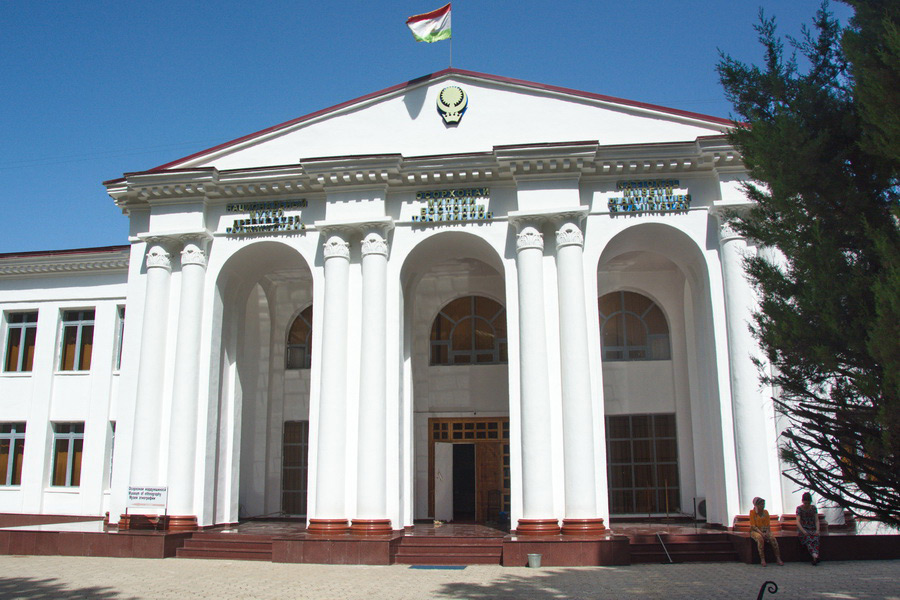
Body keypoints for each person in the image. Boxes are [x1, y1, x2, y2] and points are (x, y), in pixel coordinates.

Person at [749, 497, 783, 566]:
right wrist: (761, 533)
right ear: (756, 505)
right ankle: (762, 559)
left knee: (773, 539)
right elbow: (753, 525)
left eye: (763, 504)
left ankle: (778, 558)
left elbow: (768, 524)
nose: (763, 506)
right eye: (761, 504)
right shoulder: (752, 513)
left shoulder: (766, 512)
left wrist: (767, 532)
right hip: (756, 531)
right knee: (760, 538)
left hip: (765, 530)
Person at [796, 492, 821, 565]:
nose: (806, 505)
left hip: (812, 528)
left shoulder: (813, 508)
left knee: (815, 539)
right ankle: (815, 555)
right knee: (808, 539)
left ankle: (814, 556)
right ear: (802, 501)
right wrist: (803, 531)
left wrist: (817, 530)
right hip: (803, 529)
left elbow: (816, 520)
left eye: (808, 503)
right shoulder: (799, 509)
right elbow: (797, 521)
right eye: (805, 503)